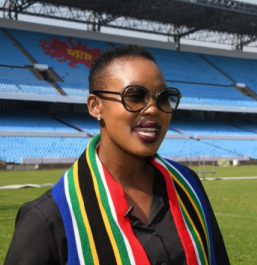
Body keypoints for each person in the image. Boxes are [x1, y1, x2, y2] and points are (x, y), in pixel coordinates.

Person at [5, 45, 230, 265]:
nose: (153, 108)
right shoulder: (49, 218)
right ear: (95, 106)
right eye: (135, 95)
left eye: (163, 97)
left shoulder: (188, 185)